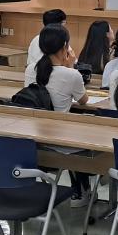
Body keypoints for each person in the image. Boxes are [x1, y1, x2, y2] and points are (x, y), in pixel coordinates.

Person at [25, 24, 90, 205]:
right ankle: (82, 191)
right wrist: (71, 67)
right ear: (64, 47)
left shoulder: (30, 69)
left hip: (32, 137)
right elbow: (84, 101)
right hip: (59, 141)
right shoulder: (72, 75)